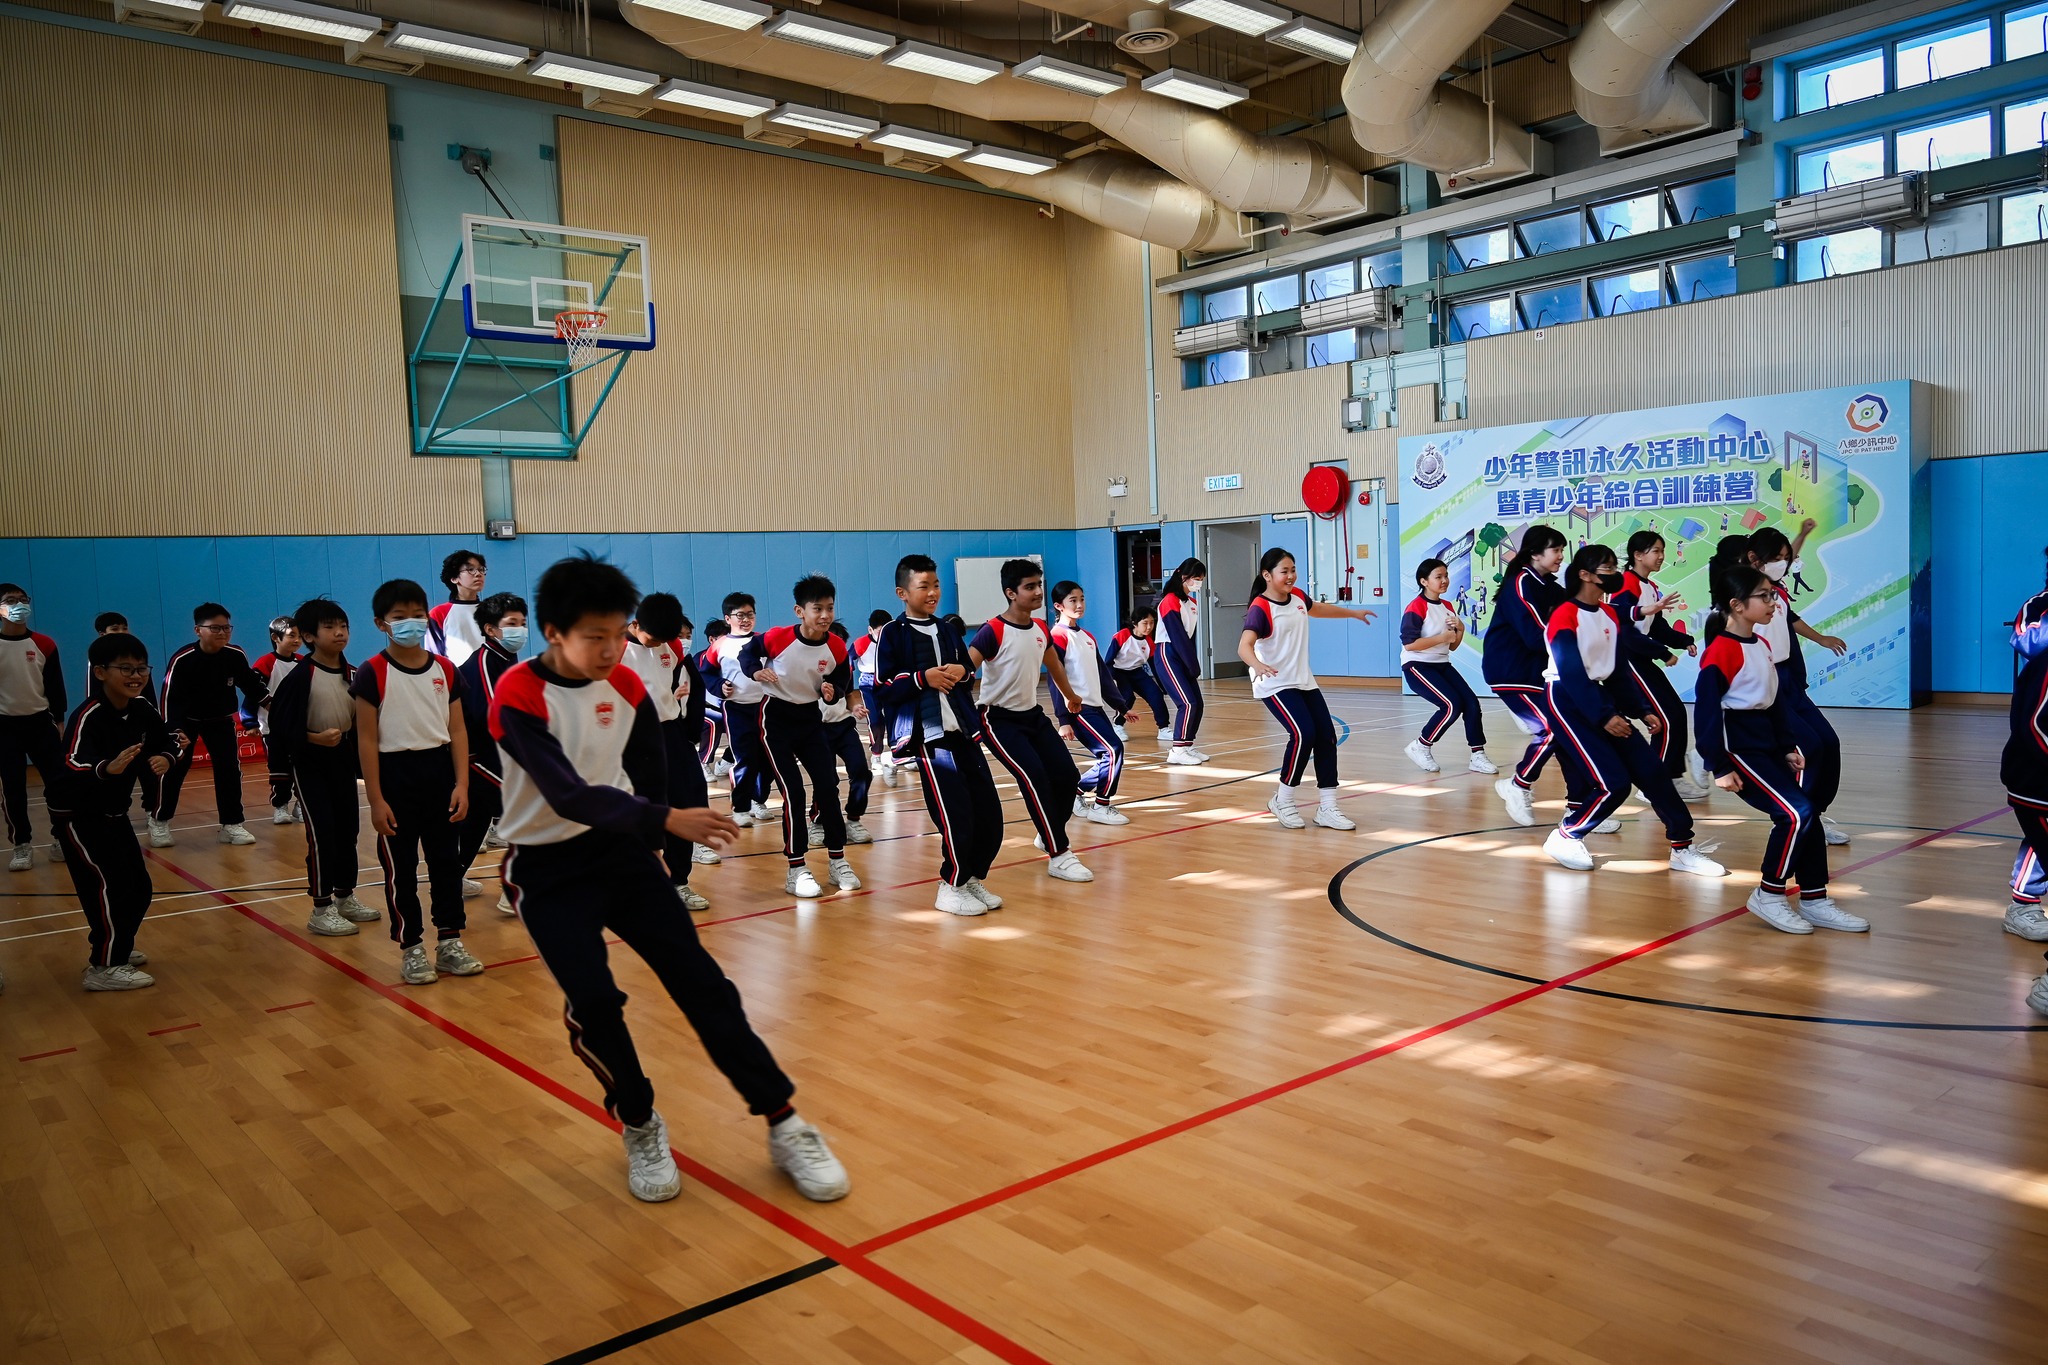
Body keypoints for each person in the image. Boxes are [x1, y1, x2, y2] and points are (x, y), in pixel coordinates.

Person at [491, 553, 849, 1203]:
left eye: (618, 633)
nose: (611, 650)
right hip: (547, 868)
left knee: (704, 985)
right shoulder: (519, 692)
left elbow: (648, 769)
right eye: (594, 637)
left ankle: (784, 1121)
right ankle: (639, 1120)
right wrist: (665, 819)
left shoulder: (627, 684)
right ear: (553, 633)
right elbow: (567, 793)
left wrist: (653, 843)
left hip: (622, 854)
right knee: (595, 1004)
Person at [1540, 545, 1726, 879]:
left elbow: (1617, 671)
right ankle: (1567, 835)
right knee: (1614, 783)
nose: (1615, 573)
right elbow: (1572, 673)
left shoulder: (1609, 615)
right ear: (1585, 575)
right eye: (1608, 568)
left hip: (1596, 695)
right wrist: (1605, 716)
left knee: (1653, 772)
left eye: (1615, 566)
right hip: (1566, 699)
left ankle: (1682, 848)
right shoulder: (1564, 615)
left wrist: (1640, 709)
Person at [1696, 565, 1864, 934]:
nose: (1774, 602)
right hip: (1740, 747)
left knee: (1807, 813)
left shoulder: (1762, 645)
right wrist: (1718, 766)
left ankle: (1815, 899)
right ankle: (1769, 894)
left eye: (1773, 594)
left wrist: (1788, 746)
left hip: (1768, 743)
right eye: (1764, 596)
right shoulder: (1721, 652)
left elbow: (1773, 705)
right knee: (1795, 813)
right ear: (1737, 605)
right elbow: (1706, 714)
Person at [353, 579, 477, 985]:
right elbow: (366, 740)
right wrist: (376, 799)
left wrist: (462, 784)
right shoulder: (372, 672)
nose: (411, 622)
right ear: (381, 623)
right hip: (395, 777)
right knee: (401, 870)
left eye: (418, 615)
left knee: (446, 865)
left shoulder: (445, 669)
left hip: (439, 773)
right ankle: (411, 947)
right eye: (399, 617)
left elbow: (458, 730)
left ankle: (450, 942)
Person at [874, 554, 1006, 916]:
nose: (932, 592)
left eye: (936, 585)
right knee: (955, 813)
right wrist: (922, 678)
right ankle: (950, 885)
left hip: (963, 732)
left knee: (989, 813)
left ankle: (970, 876)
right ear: (902, 592)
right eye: (923, 586)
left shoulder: (948, 629)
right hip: (929, 739)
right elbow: (883, 686)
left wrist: (963, 671)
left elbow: (966, 672)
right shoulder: (893, 633)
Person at [50, 633, 180, 991]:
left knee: (139, 887)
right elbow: (71, 762)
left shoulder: (142, 709)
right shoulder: (88, 715)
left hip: (113, 813)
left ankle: (117, 945)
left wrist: (165, 757)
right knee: (107, 887)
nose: (135, 676)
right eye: (126, 668)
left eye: (141, 669)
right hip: (76, 814)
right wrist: (106, 768)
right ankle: (105, 966)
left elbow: (167, 740)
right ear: (101, 672)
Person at [969, 560, 1092, 884]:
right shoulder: (992, 631)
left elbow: (1054, 665)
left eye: (1039, 584)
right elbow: (965, 670)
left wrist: (1070, 696)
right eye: (1029, 587)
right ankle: (1059, 853)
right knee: (1035, 777)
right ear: (1011, 592)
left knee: (1067, 776)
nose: (1038, 591)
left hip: (1032, 716)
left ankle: (1048, 831)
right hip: (998, 719)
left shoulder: (1039, 628)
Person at [740, 574, 860, 899]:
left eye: (830, 608)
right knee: (793, 792)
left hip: (810, 720)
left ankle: (838, 859)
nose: (825, 615)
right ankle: (796, 868)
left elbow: (840, 682)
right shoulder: (777, 637)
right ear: (800, 611)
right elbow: (747, 654)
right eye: (817, 608)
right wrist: (754, 670)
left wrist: (832, 691)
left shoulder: (836, 646)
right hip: (775, 718)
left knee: (828, 786)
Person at [1238, 549, 1375, 831]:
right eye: (1284, 571)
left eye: (1293, 570)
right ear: (1267, 575)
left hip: (1303, 680)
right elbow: (1244, 646)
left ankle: (1327, 807)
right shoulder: (1260, 608)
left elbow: (1319, 609)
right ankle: (1283, 800)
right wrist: (1257, 665)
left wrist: (1352, 613)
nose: (1291, 576)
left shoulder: (1298, 596)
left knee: (1326, 736)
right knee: (1303, 734)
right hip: (1274, 683)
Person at [268, 599, 379, 936]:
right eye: (330, 627)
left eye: (343, 626)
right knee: (322, 833)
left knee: (348, 829)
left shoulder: (354, 674)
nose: (339, 633)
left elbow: (364, 721)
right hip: (310, 762)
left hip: (342, 759)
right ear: (309, 636)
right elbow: (280, 727)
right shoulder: (301, 676)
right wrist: (313, 738)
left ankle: (345, 895)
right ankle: (321, 907)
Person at [1747, 524, 1851, 847]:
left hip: (1790, 680)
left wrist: (1821, 638)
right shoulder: (1746, 593)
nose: (1783, 563)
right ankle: (1797, 819)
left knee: (1829, 743)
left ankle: (1814, 816)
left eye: (1785, 558)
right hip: (1768, 682)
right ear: (1754, 559)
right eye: (1776, 558)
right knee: (1808, 749)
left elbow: (1790, 617)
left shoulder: (1776, 589)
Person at [624, 592, 715, 911]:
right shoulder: (612, 651)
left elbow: (694, 688)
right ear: (636, 624)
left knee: (685, 805)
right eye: (652, 639)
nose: (657, 645)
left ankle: (678, 882)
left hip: (670, 735)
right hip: (629, 739)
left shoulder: (672, 647)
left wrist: (688, 734)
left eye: (664, 640)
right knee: (641, 812)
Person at [151, 603, 269, 848]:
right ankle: (159, 820)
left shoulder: (235, 655)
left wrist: (276, 706)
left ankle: (231, 824)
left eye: (226, 628)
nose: (222, 633)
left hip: (221, 721)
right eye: (215, 628)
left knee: (229, 770)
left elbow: (252, 686)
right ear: (198, 630)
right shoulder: (182, 660)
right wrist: (175, 730)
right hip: (186, 723)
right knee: (176, 769)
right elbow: (169, 700)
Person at [1609, 531, 1711, 801]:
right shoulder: (1626, 583)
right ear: (1637, 555)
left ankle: (1671, 776)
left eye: (1662, 550)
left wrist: (1684, 641)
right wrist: (1662, 653)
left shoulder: (1650, 587)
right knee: (1665, 718)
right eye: (1655, 550)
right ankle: (1653, 784)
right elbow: (1624, 631)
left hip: (1640, 658)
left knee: (1675, 713)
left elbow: (1657, 626)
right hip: (1627, 660)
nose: (1661, 556)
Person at [1483, 526, 1571, 827]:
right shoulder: (1521, 582)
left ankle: (1578, 807)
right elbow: (1536, 635)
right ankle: (1518, 784)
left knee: (1570, 733)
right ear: (1535, 554)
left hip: (1537, 672)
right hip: (1511, 670)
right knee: (1553, 729)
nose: (1561, 556)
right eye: (1555, 550)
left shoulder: (1550, 586)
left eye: (1562, 550)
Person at [456, 592, 526, 913]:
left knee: (475, 823)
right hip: (478, 758)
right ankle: (513, 890)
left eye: (522, 623)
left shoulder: (508, 657)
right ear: (490, 629)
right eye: (512, 623)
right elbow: (493, 716)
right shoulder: (485, 661)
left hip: (495, 755)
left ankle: (450, 878)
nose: (520, 629)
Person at [1999, 554, 2048, 1006]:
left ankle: (2022, 901)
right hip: (2035, 766)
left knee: (2040, 833)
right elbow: (2028, 642)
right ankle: (2023, 905)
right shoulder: (2038, 606)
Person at [1399, 559, 1494, 776]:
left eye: (1446, 576)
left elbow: (1452, 646)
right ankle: (1421, 745)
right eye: (1438, 577)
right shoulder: (1416, 607)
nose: (1444, 580)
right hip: (1417, 666)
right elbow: (1409, 644)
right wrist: (1442, 637)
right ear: (1424, 581)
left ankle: (1477, 755)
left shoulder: (1448, 607)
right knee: (1451, 705)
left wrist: (1460, 630)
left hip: (1442, 664)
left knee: (1471, 703)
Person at [1048, 581, 1127, 827]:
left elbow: (1103, 676)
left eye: (1081, 599)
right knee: (1112, 751)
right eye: (1073, 600)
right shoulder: (1057, 636)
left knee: (1108, 755)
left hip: (1096, 707)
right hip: (1078, 709)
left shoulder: (1088, 637)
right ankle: (1101, 806)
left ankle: (1074, 792)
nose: (1079, 604)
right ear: (1059, 606)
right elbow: (1054, 680)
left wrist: (1122, 706)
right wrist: (1063, 720)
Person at [0, 583, 67, 871]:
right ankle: (21, 845)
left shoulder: (44, 643)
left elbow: (55, 686)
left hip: (41, 723)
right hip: (5, 727)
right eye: (10, 600)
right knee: (13, 788)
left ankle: (61, 838)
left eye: (22, 599)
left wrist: (59, 720)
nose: (18, 605)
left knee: (57, 783)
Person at [809, 621, 876, 846]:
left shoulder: (844, 665)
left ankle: (854, 819)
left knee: (861, 771)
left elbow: (850, 694)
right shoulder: (808, 666)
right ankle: (818, 822)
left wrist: (855, 707)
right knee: (826, 779)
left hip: (844, 727)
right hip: (818, 731)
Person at [713, 593, 775, 828]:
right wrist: (719, 686)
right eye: (740, 615)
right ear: (728, 618)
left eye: (750, 614)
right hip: (737, 709)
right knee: (745, 758)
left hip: (766, 707)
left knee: (769, 759)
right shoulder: (720, 645)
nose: (746, 619)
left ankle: (758, 800)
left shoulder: (763, 641)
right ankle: (740, 807)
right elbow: (706, 672)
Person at [247, 615, 305, 826]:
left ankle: (301, 805)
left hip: (299, 729)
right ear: (275, 637)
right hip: (273, 730)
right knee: (279, 769)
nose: (297, 640)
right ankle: (280, 806)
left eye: (299, 636)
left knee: (302, 768)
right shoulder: (265, 663)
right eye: (291, 635)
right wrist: (250, 722)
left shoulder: (303, 662)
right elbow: (252, 693)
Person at [1155, 558, 1209, 764]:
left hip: (1183, 653)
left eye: (1201, 579)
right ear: (1184, 576)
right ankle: (1177, 750)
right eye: (1196, 578)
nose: (1199, 583)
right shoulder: (1170, 600)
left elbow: (1189, 637)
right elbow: (1176, 635)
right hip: (1168, 653)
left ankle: (1187, 745)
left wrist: (1192, 661)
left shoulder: (1192, 604)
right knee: (1187, 703)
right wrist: (1191, 664)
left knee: (1198, 703)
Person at [1108, 607, 1169, 740]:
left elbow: (1155, 667)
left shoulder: (1150, 642)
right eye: (1145, 623)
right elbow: (1108, 662)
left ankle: (1164, 728)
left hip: (1136, 672)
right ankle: (1117, 725)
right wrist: (1111, 680)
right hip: (1119, 672)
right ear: (1135, 623)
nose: (1149, 627)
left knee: (1156, 694)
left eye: (1152, 623)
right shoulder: (1122, 636)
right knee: (1128, 697)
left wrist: (1163, 686)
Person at [853, 609, 894, 785]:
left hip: (889, 681)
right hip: (869, 683)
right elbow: (847, 660)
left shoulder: (894, 641)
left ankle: (897, 754)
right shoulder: (861, 643)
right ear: (870, 630)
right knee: (875, 720)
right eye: (879, 631)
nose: (883, 635)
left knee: (895, 718)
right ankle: (876, 754)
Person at [427, 548, 488, 666]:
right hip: (455, 675)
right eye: (470, 569)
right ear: (454, 578)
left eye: (481, 569)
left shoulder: (492, 610)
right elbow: (434, 656)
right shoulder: (439, 613)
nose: (478, 574)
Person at [697, 619, 730, 781]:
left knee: (750, 724)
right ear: (712, 639)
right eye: (724, 637)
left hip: (730, 707)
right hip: (705, 708)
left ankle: (727, 762)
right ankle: (703, 762)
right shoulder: (701, 658)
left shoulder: (735, 656)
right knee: (713, 722)